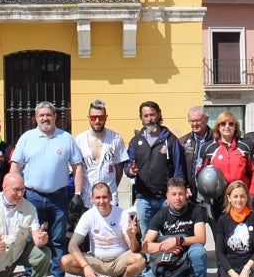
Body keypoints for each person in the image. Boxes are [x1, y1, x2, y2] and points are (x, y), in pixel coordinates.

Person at [10, 101, 84, 277]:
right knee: (32, 239)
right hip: (32, 197)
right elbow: (15, 167)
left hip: (58, 198)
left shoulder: (66, 138)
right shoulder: (27, 138)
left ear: (55, 117)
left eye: (48, 115)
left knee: (59, 239)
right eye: (41, 115)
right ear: (35, 118)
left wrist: (77, 194)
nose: (45, 118)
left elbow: (77, 167)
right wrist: (13, 190)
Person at [60, 182, 145, 277]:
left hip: (119, 261)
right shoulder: (88, 216)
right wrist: (86, 267)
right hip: (97, 260)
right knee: (65, 261)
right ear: (92, 199)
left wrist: (132, 236)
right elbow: (72, 245)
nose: (101, 201)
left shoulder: (122, 214)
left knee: (140, 259)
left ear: (111, 197)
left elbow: (134, 249)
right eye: (98, 198)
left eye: (104, 197)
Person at [140, 178, 208, 277]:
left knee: (198, 252)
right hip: (172, 258)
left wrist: (178, 240)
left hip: (189, 253)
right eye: (174, 194)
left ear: (186, 195)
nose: (177, 198)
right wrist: (164, 246)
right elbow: (145, 247)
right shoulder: (161, 215)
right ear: (167, 196)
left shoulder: (196, 210)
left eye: (181, 194)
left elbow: (201, 238)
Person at [125, 100, 184, 234]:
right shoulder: (135, 141)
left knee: (168, 234)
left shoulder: (171, 140)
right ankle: (150, 256)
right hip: (143, 198)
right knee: (147, 236)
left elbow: (178, 169)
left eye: (152, 114)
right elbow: (128, 166)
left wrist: (174, 195)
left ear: (158, 115)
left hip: (165, 198)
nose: (149, 119)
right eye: (146, 116)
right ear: (141, 118)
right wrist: (131, 171)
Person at [74, 99, 128, 208]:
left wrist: (109, 189)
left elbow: (119, 169)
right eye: (94, 118)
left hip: (110, 199)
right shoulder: (79, 140)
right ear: (89, 118)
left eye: (101, 117)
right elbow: (77, 168)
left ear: (106, 117)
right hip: (87, 199)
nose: (97, 121)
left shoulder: (116, 139)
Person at [197, 111, 254, 200]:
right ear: (218, 127)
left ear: (235, 127)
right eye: (223, 123)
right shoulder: (208, 148)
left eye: (231, 124)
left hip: (241, 197)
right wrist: (207, 195)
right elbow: (201, 173)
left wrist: (252, 194)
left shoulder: (247, 146)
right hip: (218, 198)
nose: (227, 126)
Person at [179, 105, 212, 195]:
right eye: (191, 121)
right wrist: (184, 186)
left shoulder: (217, 139)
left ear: (206, 119)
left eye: (197, 120)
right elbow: (179, 167)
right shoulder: (182, 142)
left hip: (212, 191)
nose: (194, 124)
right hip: (190, 192)